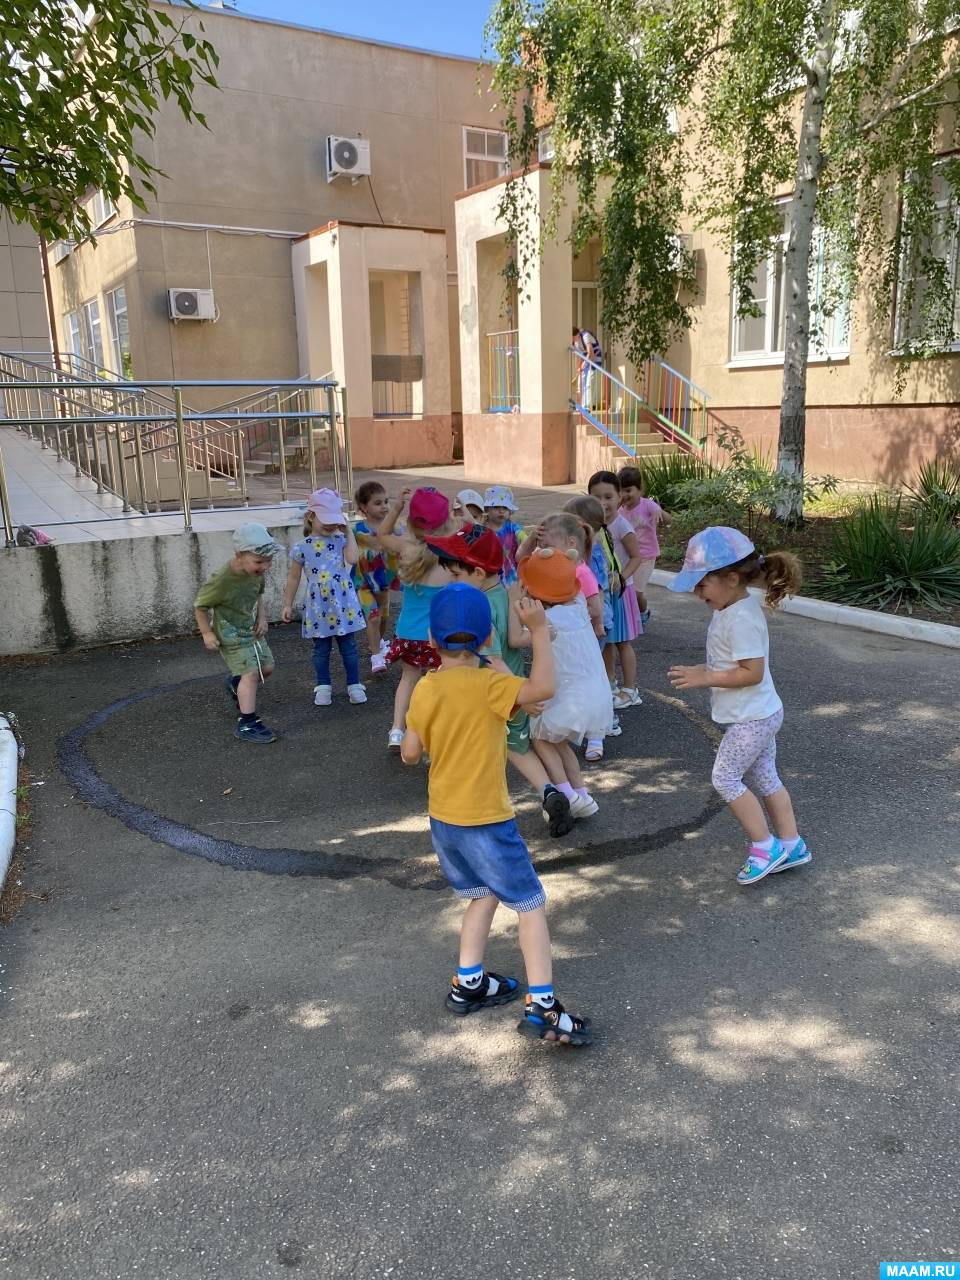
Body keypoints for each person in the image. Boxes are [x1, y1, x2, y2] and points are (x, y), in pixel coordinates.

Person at [402, 582, 592, 1046]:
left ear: (431, 638)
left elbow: (409, 753)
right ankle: (543, 1003)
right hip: (486, 820)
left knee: (483, 893)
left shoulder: (427, 689)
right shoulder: (491, 685)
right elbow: (542, 689)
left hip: (445, 820)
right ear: (487, 639)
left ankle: (469, 982)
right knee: (530, 905)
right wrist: (539, 630)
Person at [667, 527, 811, 885]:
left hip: (753, 718)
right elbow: (734, 665)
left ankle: (766, 847)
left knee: (725, 778)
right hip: (760, 713)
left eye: (702, 585)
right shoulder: (731, 607)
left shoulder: (742, 617)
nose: (698, 594)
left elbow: (752, 673)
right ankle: (792, 845)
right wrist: (708, 670)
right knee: (765, 777)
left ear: (731, 578)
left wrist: (706, 677)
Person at [426, 522, 574, 839]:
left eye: (455, 575)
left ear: (477, 573)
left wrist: (519, 696)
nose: (451, 582)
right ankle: (556, 791)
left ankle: (547, 792)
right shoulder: (506, 591)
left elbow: (491, 658)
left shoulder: (476, 607)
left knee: (510, 748)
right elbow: (518, 639)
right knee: (519, 745)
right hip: (517, 680)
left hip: (499, 689)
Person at [515, 548, 613, 819]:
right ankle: (582, 794)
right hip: (596, 694)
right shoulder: (580, 606)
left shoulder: (546, 621)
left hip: (568, 697)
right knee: (560, 743)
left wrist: (518, 598)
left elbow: (515, 638)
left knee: (540, 738)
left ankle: (567, 794)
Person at [377, 486, 454, 750]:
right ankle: (429, 732)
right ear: (446, 522)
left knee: (408, 679)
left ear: (412, 521)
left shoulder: (406, 548)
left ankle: (397, 729)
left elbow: (382, 534)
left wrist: (397, 506)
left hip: (408, 632)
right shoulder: (450, 555)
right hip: (439, 636)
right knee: (438, 685)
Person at [194, 520, 281, 744]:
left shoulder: (255, 573)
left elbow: (259, 594)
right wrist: (207, 634)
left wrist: (262, 618)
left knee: (266, 668)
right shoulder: (221, 580)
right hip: (230, 632)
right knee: (252, 673)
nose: (265, 567)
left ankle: (237, 685)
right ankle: (247, 723)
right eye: (259, 561)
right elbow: (200, 606)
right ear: (239, 554)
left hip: (250, 629)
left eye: (269, 561)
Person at [281, 488, 366, 707]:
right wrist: (287, 604)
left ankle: (354, 685)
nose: (331, 525)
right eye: (326, 520)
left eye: (334, 520)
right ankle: (323, 686)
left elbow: (353, 558)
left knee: (349, 646)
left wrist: (348, 533)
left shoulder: (339, 539)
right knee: (321, 649)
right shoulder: (302, 547)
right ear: (311, 516)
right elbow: (293, 578)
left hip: (342, 602)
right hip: (319, 606)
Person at [562, 494, 622, 761]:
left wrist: (597, 623)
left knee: (589, 677)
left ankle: (598, 731)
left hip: (592, 624)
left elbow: (594, 596)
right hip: (585, 625)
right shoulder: (581, 554)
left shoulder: (587, 559)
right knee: (582, 676)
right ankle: (589, 726)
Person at [587, 470, 644, 711]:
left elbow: (636, 557)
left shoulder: (621, 525)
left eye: (608, 497)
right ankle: (609, 684)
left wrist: (621, 577)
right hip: (602, 595)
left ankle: (631, 690)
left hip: (620, 593)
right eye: (596, 497)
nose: (603, 503)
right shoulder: (590, 525)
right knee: (607, 642)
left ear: (619, 496)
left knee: (622, 643)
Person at [352, 480, 401, 676]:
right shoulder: (357, 530)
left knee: (383, 617)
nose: (384, 506)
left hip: (384, 580)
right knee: (373, 617)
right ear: (364, 507)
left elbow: (402, 543)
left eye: (386, 502)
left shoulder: (392, 527)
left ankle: (378, 643)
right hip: (363, 581)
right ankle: (376, 656)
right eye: (378, 503)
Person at [618, 465, 672, 626]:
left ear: (640, 489)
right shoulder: (620, 510)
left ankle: (643, 611)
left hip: (646, 556)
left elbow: (668, 519)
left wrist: (660, 513)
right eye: (621, 491)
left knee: (636, 592)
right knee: (626, 589)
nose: (624, 495)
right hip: (628, 556)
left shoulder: (648, 505)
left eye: (628, 490)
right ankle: (628, 616)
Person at [482, 485, 524, 586]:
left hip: (511, 574)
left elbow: (523, 536)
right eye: (496, 507)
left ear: (509, 511)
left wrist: (526, 539)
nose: (501, 511)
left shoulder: (512, 527)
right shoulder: (483, 530)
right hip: (490, 574)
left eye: (505, 508)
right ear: (487, 510)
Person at [572, 325, 602, 410]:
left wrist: (583, 364)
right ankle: (580, 405)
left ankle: (587, 406)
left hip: (595, 359)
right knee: (581, 383)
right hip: (586, 359)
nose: (572, 340)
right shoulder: (576, 343)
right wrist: (579, 368)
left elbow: (591, 353)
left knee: (589, 383)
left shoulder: (585, 336)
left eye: (572, 337)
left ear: (576, 335)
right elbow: (579, 356)